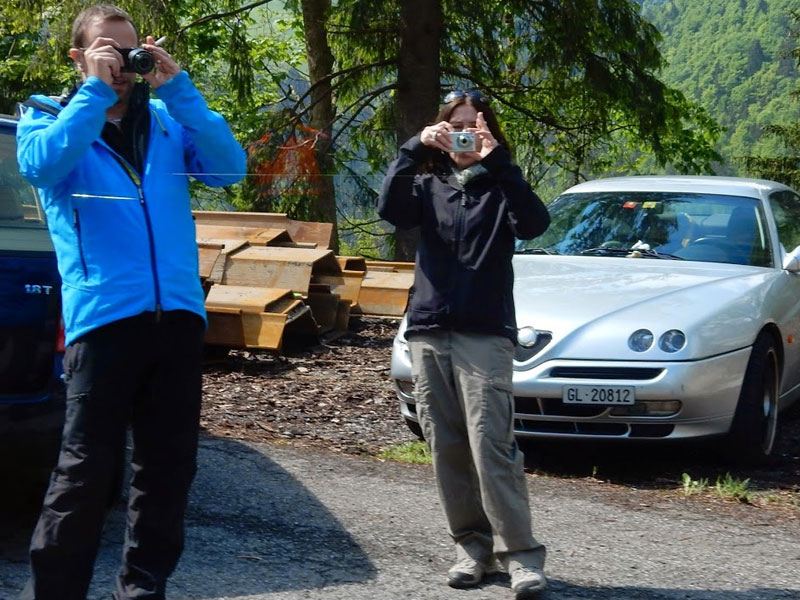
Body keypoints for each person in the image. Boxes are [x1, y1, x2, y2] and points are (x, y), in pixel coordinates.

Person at [15, 4, 246, 599]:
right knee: (86, 472)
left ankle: (142, 592)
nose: (122, 64)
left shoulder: (169, 121)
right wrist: (93, 93)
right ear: (79, 57)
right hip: (104, 322)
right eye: (107, 52)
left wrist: (182, 88)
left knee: (167, 472)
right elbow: (42, 166)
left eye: (128, 51)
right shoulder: (46, 120)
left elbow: (228, 168)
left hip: (175, 320)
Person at [377, 90, 551, 599]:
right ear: (441, 130)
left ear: (488, 133)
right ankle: (472, 548)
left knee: (491, 446)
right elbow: (391, 209)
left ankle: (521, 557)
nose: (464, 133)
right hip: (430, 328)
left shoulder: (501, 186)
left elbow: (535, 224)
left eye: (474, 126)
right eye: (456, 125)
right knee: (447, 447)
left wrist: (497, 163)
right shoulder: (427, 183)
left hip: (485, 332)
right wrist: (412, 148)